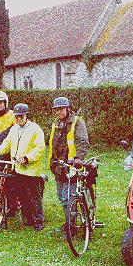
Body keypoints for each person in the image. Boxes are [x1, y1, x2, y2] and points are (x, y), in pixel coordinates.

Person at [0, 103, 46, 231]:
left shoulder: (35, 129)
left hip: (31, 170)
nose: (18, 119)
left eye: (21, 117)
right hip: (17, 168)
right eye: (16, 117)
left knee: (34, 196)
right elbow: (7, 143)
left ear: (26, 115)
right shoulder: (14, 129)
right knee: (22, 195)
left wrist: (27, 158)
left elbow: (40, 148)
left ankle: (39, 220)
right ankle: (28, 218)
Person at [48, 97, 89, 235]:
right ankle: (70, 221)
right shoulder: (56, 124)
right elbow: (53, 144)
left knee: (68, 197)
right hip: (59, 167)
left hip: (72, 166)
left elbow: (82, 142)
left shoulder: (77, 122)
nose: (58, 112)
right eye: (56, 109)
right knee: (61, 196)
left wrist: (78, 158)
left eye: (61, 109)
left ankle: (70, 226)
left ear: (67, 108)